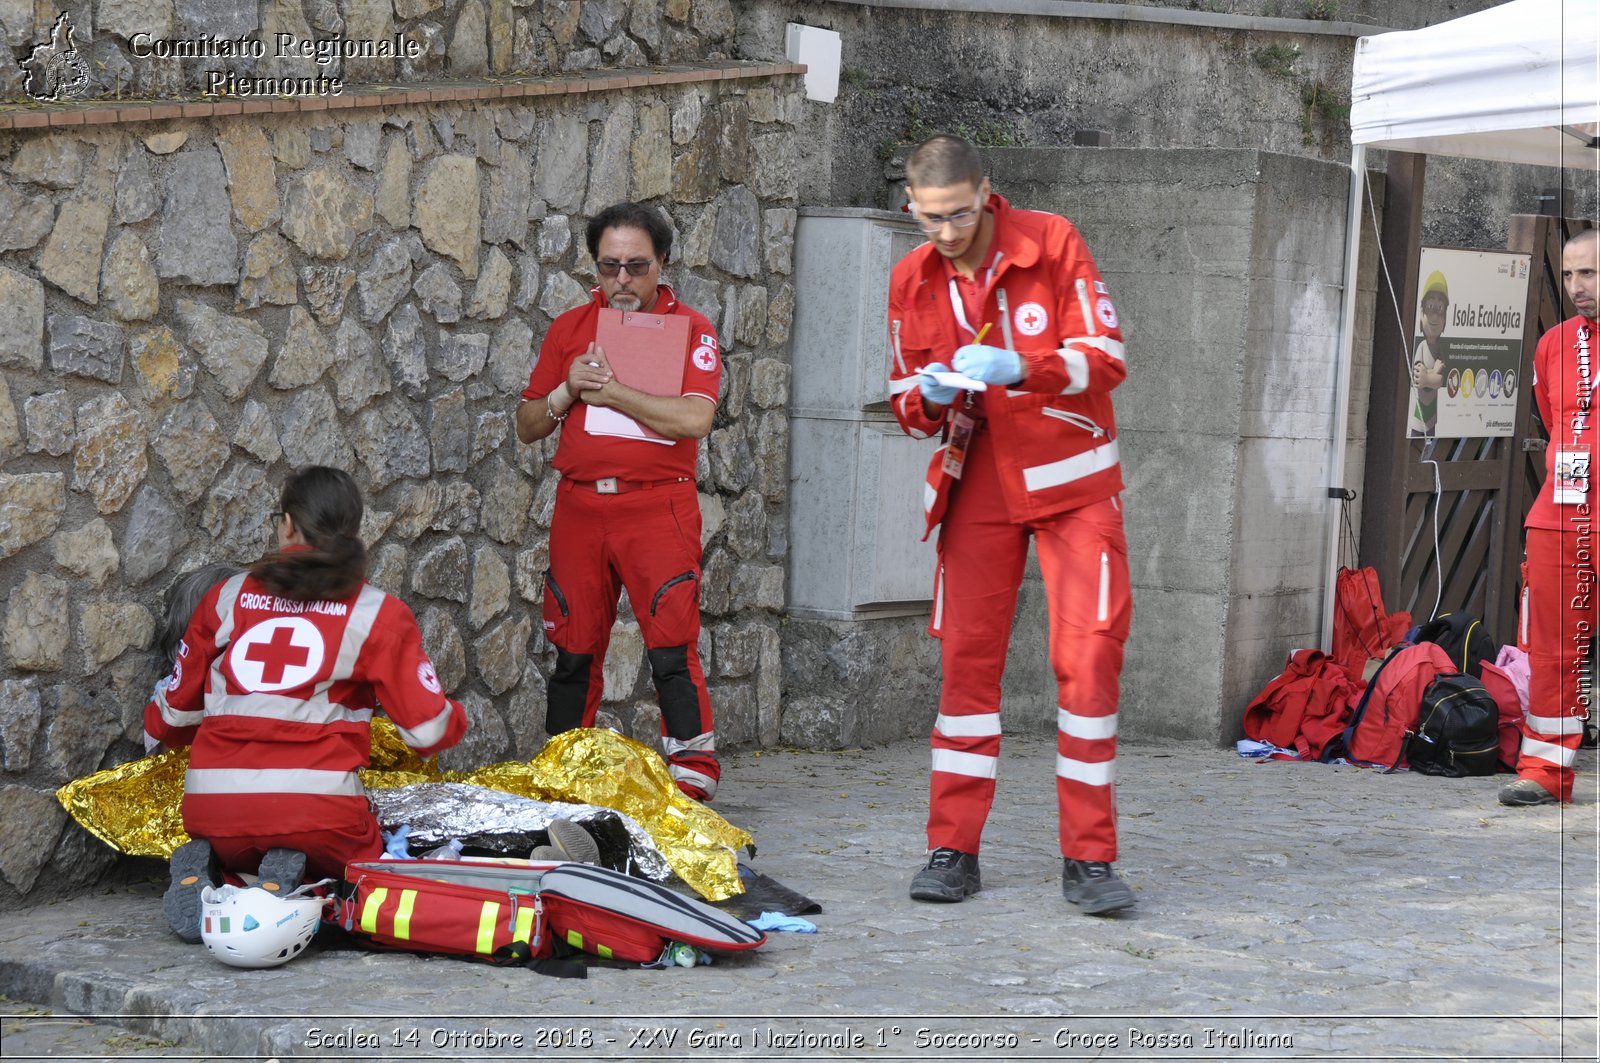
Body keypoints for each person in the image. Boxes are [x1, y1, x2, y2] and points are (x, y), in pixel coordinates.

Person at [887, 135, 1135, 914]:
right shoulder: (910, 277)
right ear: (912, 209)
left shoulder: (1052, 240)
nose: (948, 233)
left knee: (1088, 662)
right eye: (930, 220)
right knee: (965, 669)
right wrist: (930, 393)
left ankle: (1089, 860)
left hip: (1072, 479)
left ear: (986, 192)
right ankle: (952, 848)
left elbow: (1107, 355)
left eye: (959, 214)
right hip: (979, 479)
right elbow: (904, 407)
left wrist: (1024, 367)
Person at [144, 466, 469, 941]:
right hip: (317, 811)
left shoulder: (226, 596)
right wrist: (458, 716)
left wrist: (158, 728)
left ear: (289, 525)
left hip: (213, 807)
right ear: (354, 530)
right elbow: (427, 733)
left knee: (246, 836)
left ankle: (228, 876)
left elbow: (173, 712)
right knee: (365, 877)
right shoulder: (377, 612)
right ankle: (300, 883)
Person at [516, 201, 723, 803]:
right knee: (572, 645)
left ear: (662, 264)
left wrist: (614, 392)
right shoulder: (569, 328)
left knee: (671, 642)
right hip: (580, 506)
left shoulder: (692, 328)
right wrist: (566, 390)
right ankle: (561, 772)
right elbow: (528, 424)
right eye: (610, 268)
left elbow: (695, 417)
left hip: (657, 506)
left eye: (637, 266)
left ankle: (693, 781)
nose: (623, 281)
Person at [1502, 228, 1599, 806]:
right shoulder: (1552, 345)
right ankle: (1543, 772)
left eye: (1588, 273)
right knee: (1553, 651)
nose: (1575, 286)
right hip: (1560, 518)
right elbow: (1552, 421)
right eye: (1568, 275)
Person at [1409, 271, 1450, 437]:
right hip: (1418, 418)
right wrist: (1432, 374)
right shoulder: (1421, 347)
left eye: (1440, 309)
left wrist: (1430, 376)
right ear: (1421, 313)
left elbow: (1441, 380)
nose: (1434, 316)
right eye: (1430, 307)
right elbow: (1420, 379)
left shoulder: (1440, 349)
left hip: (1432, 417)